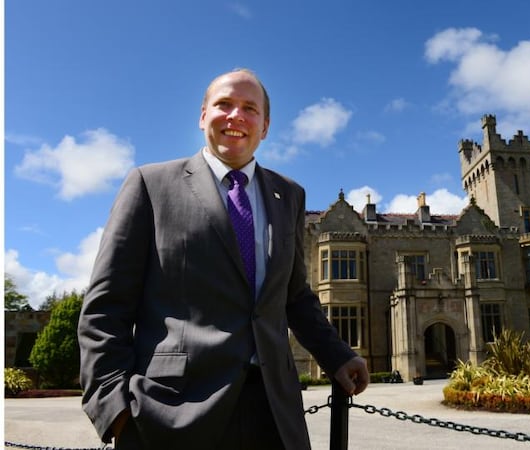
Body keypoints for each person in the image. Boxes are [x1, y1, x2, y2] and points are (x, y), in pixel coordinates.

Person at [78, 68, 369, 450]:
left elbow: (294, 296)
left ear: (265, 126)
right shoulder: (151, 185)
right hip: (172, 413)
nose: (236, 116)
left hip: (274, 413)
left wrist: (337, 355)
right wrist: (112, 405)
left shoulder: (289, 195)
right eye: (224, 104)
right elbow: (106, 305)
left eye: (250, 108)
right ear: (203, 116)